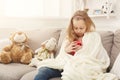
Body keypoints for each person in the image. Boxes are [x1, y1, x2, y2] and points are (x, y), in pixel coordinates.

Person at [34, 10, 111, 80]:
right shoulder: (70, 36)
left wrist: (82, 50)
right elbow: (62, 55)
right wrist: (66, 50)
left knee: (74, 73)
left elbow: (94, 52)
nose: (78, 30)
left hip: (81, 66)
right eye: (75, 28)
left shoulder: (93, 36)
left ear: (87, 25)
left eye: (81, 28)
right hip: (64, 64)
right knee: (43, 70)